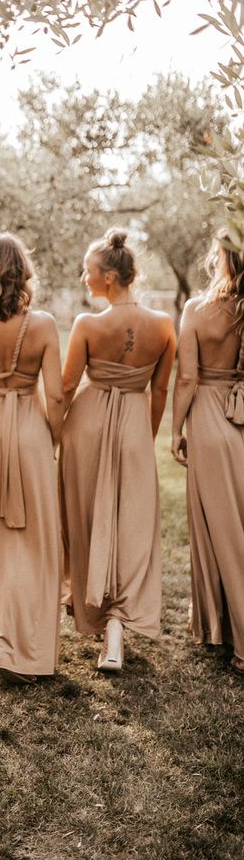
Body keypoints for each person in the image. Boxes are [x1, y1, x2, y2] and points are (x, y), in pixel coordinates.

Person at [60, 229, 175, 672]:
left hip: (86, 425)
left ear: (109, 277)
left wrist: (56, 432)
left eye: (89, 272)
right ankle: (115, 630)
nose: (84, 279)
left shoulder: (88, 325)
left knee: (87, 515)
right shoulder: (164, 324)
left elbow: (68, 386)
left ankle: (90, 605)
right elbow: (160, 390)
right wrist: (142, 438)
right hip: (134, 425)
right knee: (130, 524)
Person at [0, 233, 63, 683]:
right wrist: (54, 436)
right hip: (28, 428)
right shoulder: (43, 324)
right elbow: (59, 394)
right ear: (23, 272)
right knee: (31, 539)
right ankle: (18, 642)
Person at [172, 230, 244, 676]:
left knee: (224, 532)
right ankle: (224, 628)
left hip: (211, 423)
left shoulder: (197, 310)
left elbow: (187, 379)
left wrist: (175, 428)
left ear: (221, 255)